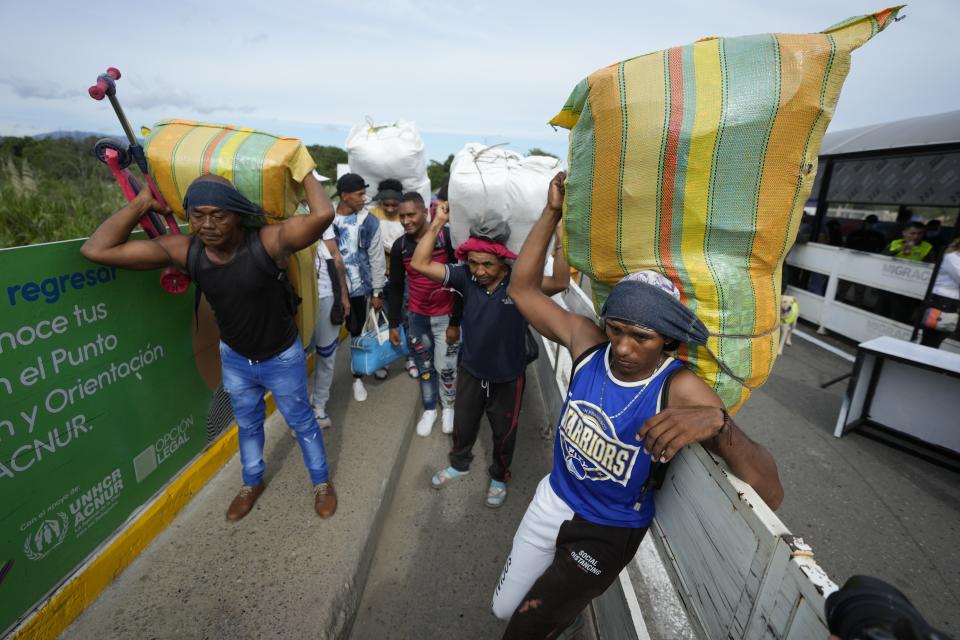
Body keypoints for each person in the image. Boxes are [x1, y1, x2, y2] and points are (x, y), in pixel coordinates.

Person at [490, 172, 784, 638]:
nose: (624, 348)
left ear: (667, 338)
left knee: (523, 630)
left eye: (641, 336)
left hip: (606, 533)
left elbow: (769, 492)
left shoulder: (680, 386)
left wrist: (721, 426)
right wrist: (552, 212)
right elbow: (522, 291)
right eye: (618, 329)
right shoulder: (587, 342)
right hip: (553, 500)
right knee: (503, 608)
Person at [80, 173, 339, 521]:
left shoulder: (267, 242)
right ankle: (251, 484)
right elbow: (96, 249)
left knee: (302, 422)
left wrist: (303, 169)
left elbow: (322, 216)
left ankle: (321, 483)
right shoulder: (186, 249)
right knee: (247, 426)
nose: (207, 225)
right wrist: (141, 203)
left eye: (218, 215)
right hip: (235, 359)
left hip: (281, 356)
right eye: (198, 215)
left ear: (239, 215)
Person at [411, 200, 570, 508]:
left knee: (504, 431)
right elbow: (419, 264)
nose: (479, 271)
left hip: (509, 376)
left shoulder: (520, 284)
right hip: (471, 370)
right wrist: (438, 222)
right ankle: (459, 464)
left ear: (503, 263)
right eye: (473, 263)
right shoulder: (464, 279)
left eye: (487, 264)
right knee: (464, 424)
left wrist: (560, 236)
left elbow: (561, 282)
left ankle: (500, 475)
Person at [387, 192, 463, 436]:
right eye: (402, 216)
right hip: (417, 319)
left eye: (411, 215)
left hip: (446, 317)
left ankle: (448, 407)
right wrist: (394, 324)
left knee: (448, 366)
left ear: (424, 212)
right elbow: (397, 287)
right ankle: (430, 409)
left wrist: (455, 322)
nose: (406, 220)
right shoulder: (400, 247)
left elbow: (460, 283)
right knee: (425, 366)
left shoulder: (446, 238)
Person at [333, 173, 389, 400]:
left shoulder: (369, 222)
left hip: (358, 290)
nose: (364, 198)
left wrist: (377, 292)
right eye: (359, 194)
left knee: (357, 332)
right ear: (344, 196)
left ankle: (357, 378)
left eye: (364, 193)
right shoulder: (325, 218)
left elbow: (377, 259)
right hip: (330, 289)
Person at [371, 178, 418, 379]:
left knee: (407, 317)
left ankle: (411, 358)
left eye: (394, 205)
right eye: (386, 205)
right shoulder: (372, 216)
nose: (390, 209)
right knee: (385, 318)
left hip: (405, 275)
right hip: (380, 277)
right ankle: (386, 359)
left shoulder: (407, 217)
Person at [311, 206, 351, 429]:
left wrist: (343, 295)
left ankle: (318, 406)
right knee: (293, 361)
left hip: (326, 295)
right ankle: (301, 414)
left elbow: (335, 256)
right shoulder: (280, 212)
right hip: (296, 301)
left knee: (326, 355)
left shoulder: (321, 216)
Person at [920, 236, 960, 349]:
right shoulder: (953, 257)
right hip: (943, 300)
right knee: (932, 338)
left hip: (950, 301)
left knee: (938, 337)